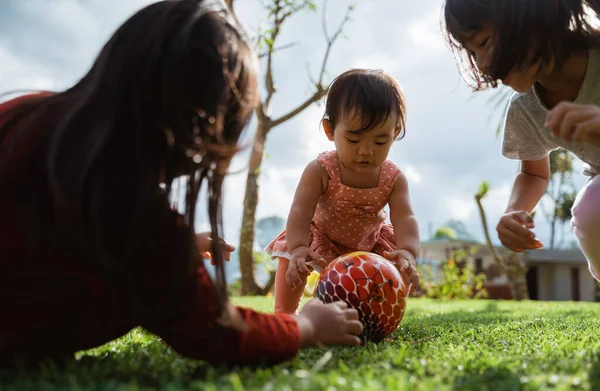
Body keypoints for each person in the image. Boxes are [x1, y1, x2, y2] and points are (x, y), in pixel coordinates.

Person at [0, 0, 364, 368]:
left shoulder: (25, 115)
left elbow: (62, 235)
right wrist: (305, 325)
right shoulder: (144, 223)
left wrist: (181, 244)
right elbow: (216, 327)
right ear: (204, 131)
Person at [442, 0, 600, 281]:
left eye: (484, 42)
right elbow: (532, 172)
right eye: (471, 52)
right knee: (592, 209)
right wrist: (515, 211)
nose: (482, 63)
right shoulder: (527, 109)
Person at [265, 69, 421, 314]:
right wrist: (297, 249)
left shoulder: (394, 178)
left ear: (396, 132)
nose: (366, 151)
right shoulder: (321, 170)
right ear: (330, 130)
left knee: (397, 263)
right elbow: (300, 212)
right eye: (353, 140)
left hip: (369, 244)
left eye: (380, 141)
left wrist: (408, 253)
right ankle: (285, 314)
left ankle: (380, 317)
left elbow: (405, 218)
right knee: (290, 258)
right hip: (321, 238)